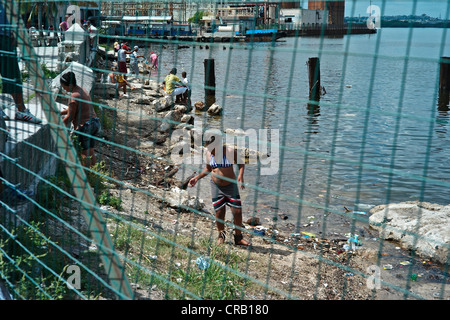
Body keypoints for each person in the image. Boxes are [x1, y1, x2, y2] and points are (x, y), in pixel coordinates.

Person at [188, 134, 251, 246]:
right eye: (208, 148)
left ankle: (238, 238)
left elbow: (241, 163)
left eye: (212, 148)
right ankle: (221, 236)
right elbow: (208, 169)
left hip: (230, 186)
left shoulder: (230, 152)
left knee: (237, 212)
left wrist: (241, 175)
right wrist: (196, 178)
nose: (210, 150)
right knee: (219, 212)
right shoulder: (208, 153)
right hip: (216, 186)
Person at [0, 3, 42, 123]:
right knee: (13, 76)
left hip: (5, 35)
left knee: (13, 76)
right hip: (4, 35)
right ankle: (21, 110)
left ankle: (21, 110)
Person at [59, 72, 100, 167]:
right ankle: (93, 174)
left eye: (63, 86)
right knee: (90, 151)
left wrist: (58, 126)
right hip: (95, 123)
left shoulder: (73, 96)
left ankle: (85, 175)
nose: (63, 89)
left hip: (85, 126)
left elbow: (70, 117)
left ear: (69, 85)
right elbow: (72, 108)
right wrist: (59, 113)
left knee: (83, 153)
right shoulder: (82, 90)